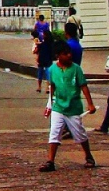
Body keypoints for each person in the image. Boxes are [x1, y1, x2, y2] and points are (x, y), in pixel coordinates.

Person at [39, 41, 97, 172]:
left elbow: (83, 86)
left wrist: (90, 103)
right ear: (58, 55)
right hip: (58, 107)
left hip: (73, 107)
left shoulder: (76, 69)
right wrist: (49, 105)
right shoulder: (52, 70)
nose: (69, 56)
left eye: (69, 53)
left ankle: (88, 156)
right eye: (65, 54)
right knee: (54, 133)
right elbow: (52, 87)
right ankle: (50, 161)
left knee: (80, 134)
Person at [32, 14, 54, 94]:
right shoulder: (46, 24)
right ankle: (48, 87)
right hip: (48, 60)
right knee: (48, 73)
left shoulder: (37, 24)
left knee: (40, 73)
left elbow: (36, 51)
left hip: (41, 59)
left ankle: (39, 87)